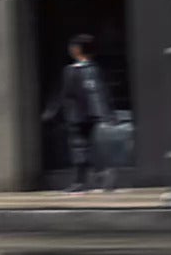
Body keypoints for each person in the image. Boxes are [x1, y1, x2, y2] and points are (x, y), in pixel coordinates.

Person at [41, 34, 116, 193]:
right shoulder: (95, 69)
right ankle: (100, 174)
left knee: (79, 147)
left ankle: (83, 180)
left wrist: (53, 112)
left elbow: (65, 95)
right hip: (93, 114)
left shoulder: (71, 71)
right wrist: (106, 113)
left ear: (76, 50)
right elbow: (101, 92)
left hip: (77, 116)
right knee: (90, 146)